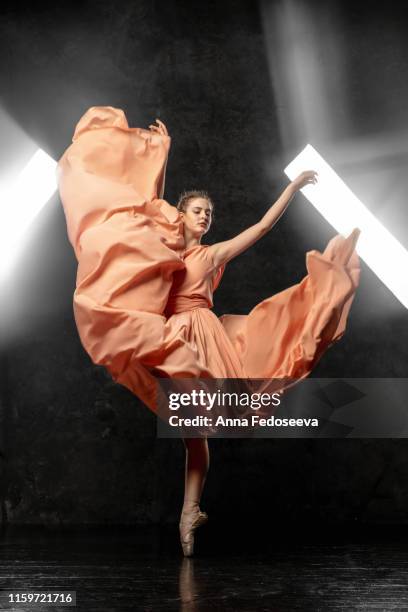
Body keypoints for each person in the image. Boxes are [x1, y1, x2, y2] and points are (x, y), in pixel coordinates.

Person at [57, 106, 360, 557]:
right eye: (198, 211)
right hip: (170, 334)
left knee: (200, 432)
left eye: (209, 213)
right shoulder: (161, 243)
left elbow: (259, 228)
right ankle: (189, 514)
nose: (205, 218)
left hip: (201, 333)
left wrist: (292, 188)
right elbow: (142, 202)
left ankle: (187, 515)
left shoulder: (211, 255)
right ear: (182, 214)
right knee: (194, 430)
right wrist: (160, 152)